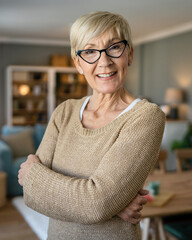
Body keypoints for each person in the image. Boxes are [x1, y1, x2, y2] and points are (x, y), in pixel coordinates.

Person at [18, 11, 165, 240]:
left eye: (114, 47)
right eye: (89, 51)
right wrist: (115, 204)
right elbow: (31, 193)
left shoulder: (146, 117)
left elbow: (96, 204)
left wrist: (105, 204)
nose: (104, 61)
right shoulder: (64, 111)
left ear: (129, 54)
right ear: (78, 64)